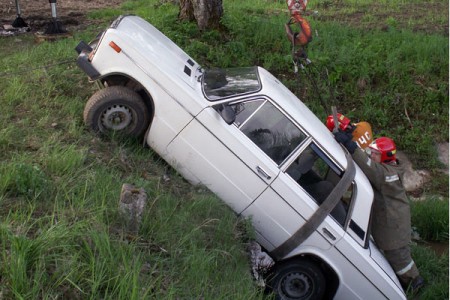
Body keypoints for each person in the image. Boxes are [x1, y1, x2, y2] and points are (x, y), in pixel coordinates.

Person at [333, 131, 425, 293]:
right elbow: (370, 163)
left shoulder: (387, 175)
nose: (371, 156)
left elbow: (370, 167)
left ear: (384, 156)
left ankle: (415, 283)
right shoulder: (389, 166)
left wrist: (352, 147)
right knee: (395, 257)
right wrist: (352, 139)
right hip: (392, 221)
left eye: (375, 154)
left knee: (400, 259)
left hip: (394, 226)